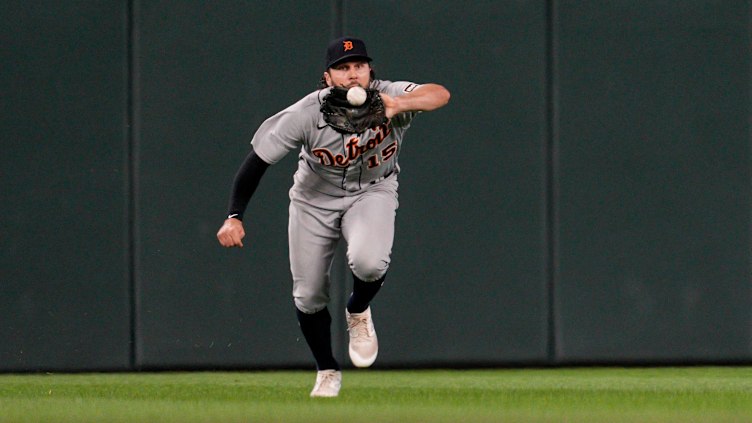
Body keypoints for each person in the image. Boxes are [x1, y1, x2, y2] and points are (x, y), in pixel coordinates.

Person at [217, 36, 450, 397]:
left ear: (370, 70)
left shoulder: (389, 94)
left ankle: (357, 311)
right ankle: (327, 369)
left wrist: (398, 104)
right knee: (308, 295)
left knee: (369, 263)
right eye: (343, 68)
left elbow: (440, 94)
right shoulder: (308, 112)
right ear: (328, 78)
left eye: (359, 66)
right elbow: (257, 162)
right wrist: (235, 215)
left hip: (374, 189)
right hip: (314, 199)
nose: (353, 75)